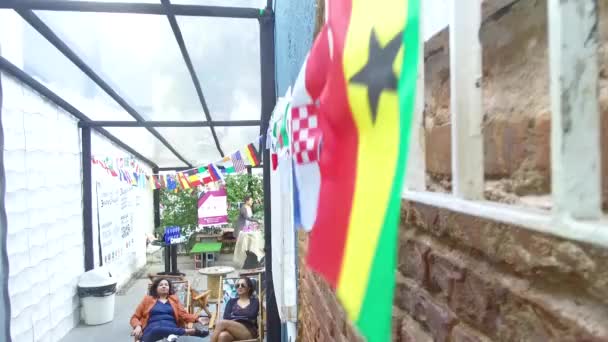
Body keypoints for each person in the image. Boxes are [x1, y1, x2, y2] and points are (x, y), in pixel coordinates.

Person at [130, 278, 208, 342]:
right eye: (161, 285)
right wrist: (137, 326)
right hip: (151, 328)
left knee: (163, 332)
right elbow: (135, 317)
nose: (164, 286)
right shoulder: (147, 299)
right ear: (156, 288)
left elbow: (183, 314)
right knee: (157, 329)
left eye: (166, 285)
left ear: (169, 288)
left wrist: (197, 318)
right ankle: (186, 332)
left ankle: (169, 338)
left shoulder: (174, 299)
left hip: (170, 326)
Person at [211, 277, 259, 342]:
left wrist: (234, 317)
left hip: (248, 331)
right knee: (223, 336)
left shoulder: (254, 301)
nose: (239, 287)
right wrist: (242, 317)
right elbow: (226, 317)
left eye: (243, 285)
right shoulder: (231, 301)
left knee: (221, 323)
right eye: (237, 285)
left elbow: (251, 316)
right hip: (232, 330)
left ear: (249, 288)